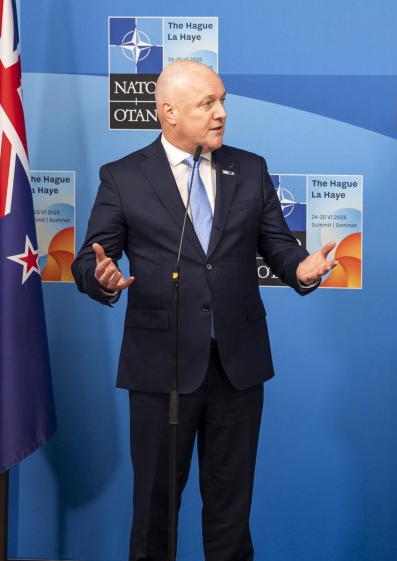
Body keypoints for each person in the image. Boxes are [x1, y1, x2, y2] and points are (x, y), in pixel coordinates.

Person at [72, 59, 337, 561]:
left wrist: (301, 269)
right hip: (161, 367)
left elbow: (278, 246)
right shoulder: (123, 177)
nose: (221, 114)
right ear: (169, 112)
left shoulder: (250, 169)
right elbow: (91, 257)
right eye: (207, 103)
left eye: (222, 101)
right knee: (154, 513)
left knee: (230, 514)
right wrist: (100, 277)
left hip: (237, 366)